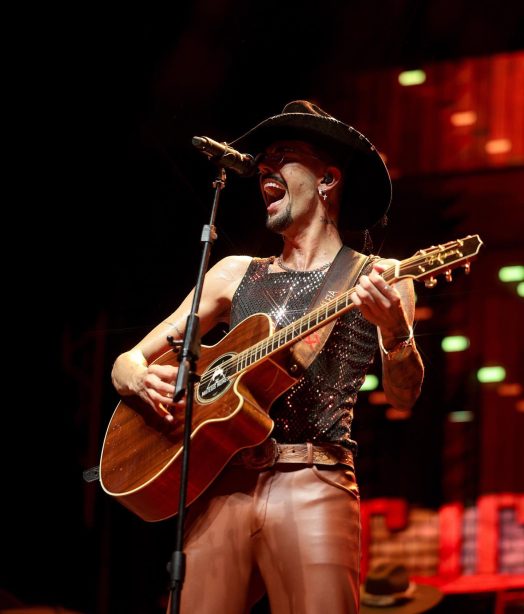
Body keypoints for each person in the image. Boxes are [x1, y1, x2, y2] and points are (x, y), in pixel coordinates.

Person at [110, 100, 425, 613]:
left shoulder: (381, 276)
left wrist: (396, 332)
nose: (264, 166)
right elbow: (129, 360)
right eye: (264, 158)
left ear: (327, 180)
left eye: (285, 154)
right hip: (222, 480)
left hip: (315, 480)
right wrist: (135, 377)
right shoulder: (234, 273)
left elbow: (405, 397)